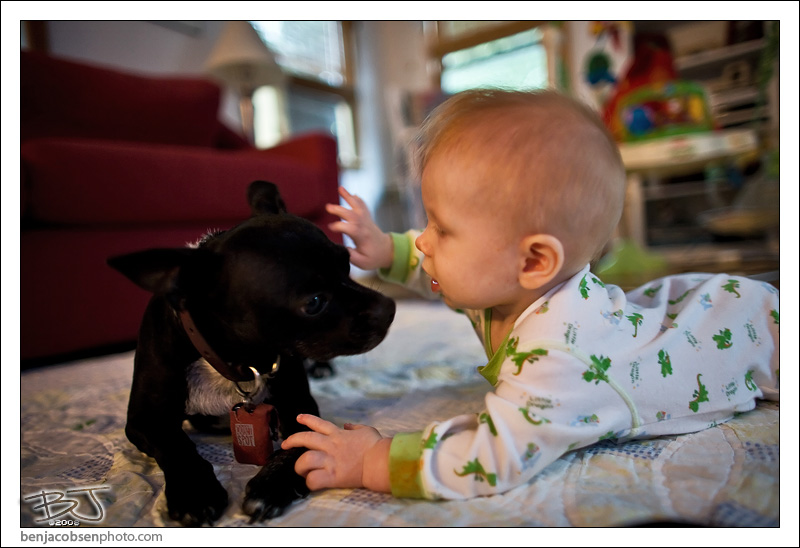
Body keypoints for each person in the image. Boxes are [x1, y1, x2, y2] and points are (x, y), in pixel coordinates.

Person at [282, 89, 780, 500]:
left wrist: (373, 460)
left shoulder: (555, 359)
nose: (425, 241)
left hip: (750, 326)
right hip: (682, 309)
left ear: (534, 262)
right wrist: (387, 248)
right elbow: (436, 273)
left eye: (443, 229)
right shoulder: (505, 285)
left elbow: (491, 458)